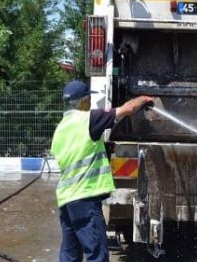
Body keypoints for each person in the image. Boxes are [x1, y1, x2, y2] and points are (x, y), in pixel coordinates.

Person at [51, 80, 153, 262]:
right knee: (97, 254)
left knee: (70, 254)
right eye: (89, 98)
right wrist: (144, 98)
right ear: (83, 101)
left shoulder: (60, 129)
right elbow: (126, 110)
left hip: (66, 200)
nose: (90, 102)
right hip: (85, 198)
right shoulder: (88, 119)